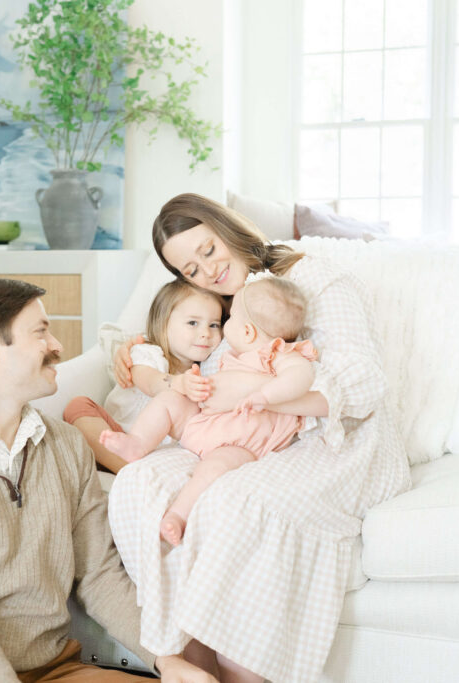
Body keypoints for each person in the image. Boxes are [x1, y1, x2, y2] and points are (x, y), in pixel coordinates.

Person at [107, 194, 412, 683]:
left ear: (228, 228)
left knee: (237, 501)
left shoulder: (313, 278)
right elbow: (180, 361)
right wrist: (139, 352)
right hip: (236, 434)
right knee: (141, 483)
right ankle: (190, 665)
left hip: (332, 434)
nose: (206, 271)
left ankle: (245, 672)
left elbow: (362, 381)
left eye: (208, 250)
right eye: (189, 269)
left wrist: (260, 395)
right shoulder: (214, 307)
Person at [0, 278, 216, 683]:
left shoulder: (67, 445)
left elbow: (99, 575)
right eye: (40, 332)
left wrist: (166, 660)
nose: (57, 345)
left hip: (50, 667)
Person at [100, 276, 319, 546]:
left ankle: (178, 515)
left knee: (214, 468)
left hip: (240, 443)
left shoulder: (281, 354)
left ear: (248, 332)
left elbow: (301, 378)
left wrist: (266, 396)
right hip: (205, 423)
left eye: (228, 320)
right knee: (170, 400)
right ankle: (138, 443)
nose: (221, 329)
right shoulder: (229, 356)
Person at [63, 280, 225, 474]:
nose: (206, 333)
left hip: (165, 451)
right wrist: (178, 382)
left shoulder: (209, 367)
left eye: (214, 325)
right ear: (163, 324)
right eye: (193, 323)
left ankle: (136, 469)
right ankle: (126, 468)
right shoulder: (146, 353)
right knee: (78, 405)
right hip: (119, 435)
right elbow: (151, 382)